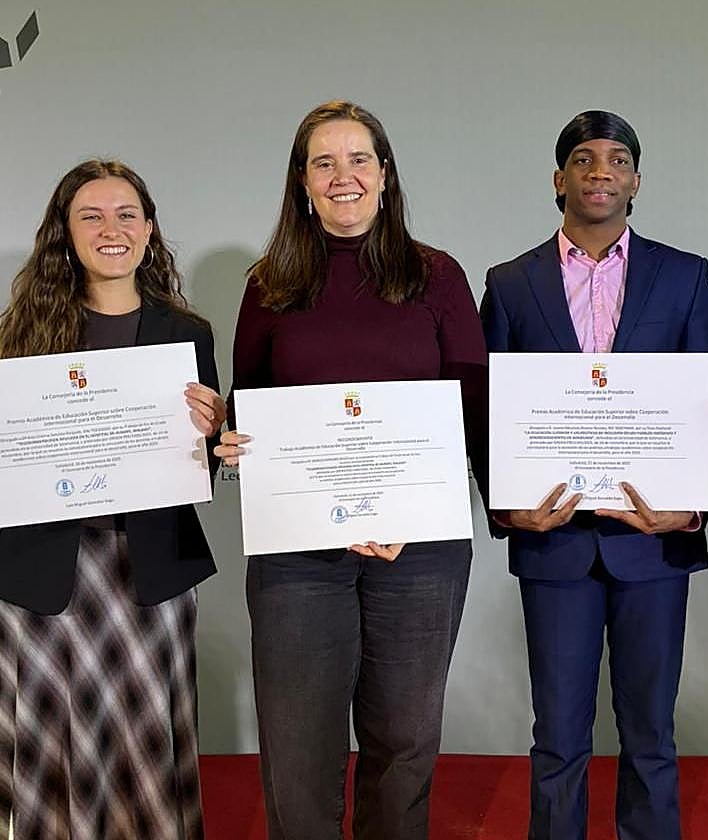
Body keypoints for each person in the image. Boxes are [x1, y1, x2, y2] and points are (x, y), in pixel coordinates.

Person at [0, 160, 226, 839]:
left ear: (149, 229)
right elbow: (9, 469)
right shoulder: (31, 329)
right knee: (50, 744)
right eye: (91, 216)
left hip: (151, 571)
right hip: (49, 571)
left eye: (126, 215)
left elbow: (196, 474)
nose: (111, 229)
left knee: (149, 741)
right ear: (66, 231)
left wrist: (213, 436)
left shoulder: (188, 335)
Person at [215, 100, 488, 840]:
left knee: (403, 742)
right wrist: (231, 436)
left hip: (418, 550)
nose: (344, 176)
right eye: (324, 163)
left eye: (359, 159)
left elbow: (471, 411)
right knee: (298, 751)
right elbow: (250, 401)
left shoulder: (437, 276)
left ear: (385, 173)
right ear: (303, 182)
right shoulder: (269, 284)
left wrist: (413, 510)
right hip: (299, 554)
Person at [480, 110, 708, 840]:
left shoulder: (684, 276)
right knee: (558, 736)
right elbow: (489, 408)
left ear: (636, 181)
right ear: (559, 179)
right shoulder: (510, 282)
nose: (601, 172)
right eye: (584, 159)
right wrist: (505, 506)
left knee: (650, 732)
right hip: (553, 541)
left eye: (618, 160)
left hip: (654, 541)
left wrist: (691, 508)